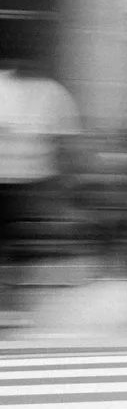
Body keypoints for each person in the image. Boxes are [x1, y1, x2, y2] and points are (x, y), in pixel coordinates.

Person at [0, 56, 79, 328]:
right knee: (23, 246)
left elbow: (66, 141)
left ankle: (17, 304)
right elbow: (66, 142)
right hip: (31, 180)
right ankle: (15, 304)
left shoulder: (50, 91)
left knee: (25, 246)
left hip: (34, 181)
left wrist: (64, 180)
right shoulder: (49, 90)